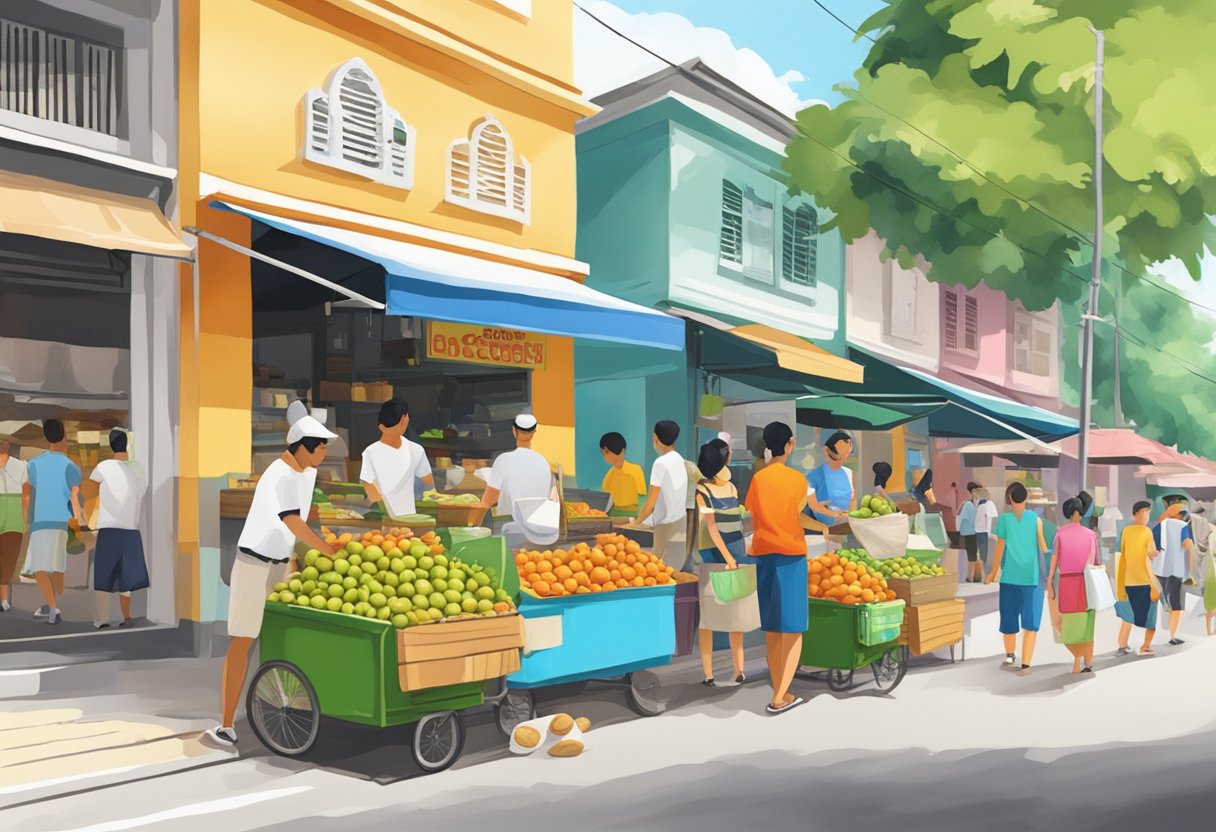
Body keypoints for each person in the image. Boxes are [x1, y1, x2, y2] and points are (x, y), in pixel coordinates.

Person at [207, 402, 337, 748]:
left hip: (281, 562)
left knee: (285, 640)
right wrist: (326, 549)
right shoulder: (279, 474)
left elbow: (300, 525)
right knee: (244, 639)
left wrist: (297, 557)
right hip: (253, 563)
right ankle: (225, 724)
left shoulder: (306, 472)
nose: (325, 452)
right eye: (321, 446)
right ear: (303, 447)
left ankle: (286, 706)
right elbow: (292, 520)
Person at [747, 421, 826, 715]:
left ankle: (781, 689)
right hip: (791, 556)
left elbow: (755, 515)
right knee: (792, 628)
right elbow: (798, 517)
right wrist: (822, 526)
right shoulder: (798, 479)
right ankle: (779, 697)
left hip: (765, 556)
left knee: (772, 627)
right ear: (790, 444)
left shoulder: (758, 480)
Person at [694, 438, 760, 686]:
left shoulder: (721, 489)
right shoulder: (705, 491)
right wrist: (732, 556)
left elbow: (732, 523)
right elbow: (711, 528)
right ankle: (711, 673)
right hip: (717, 551)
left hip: (728, 550)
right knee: (713, 613)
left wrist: (742, 547)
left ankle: (735, 670)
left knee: (731, 610)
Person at [22, 420, 84, 625]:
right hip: (62, 523)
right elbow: (74, 498)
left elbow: (27, 494)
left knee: (38, 568)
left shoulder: (34, 464)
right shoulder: (71, 466)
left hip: (41, 521)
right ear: (64, 436)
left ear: (46, 437)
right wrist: (78, 523)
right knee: (58, 568)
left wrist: (25, 518)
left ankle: (53, 608)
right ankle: (51, 604)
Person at [985, 481, 1048, 673]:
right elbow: (1044, 548)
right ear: (1026, 498)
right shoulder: (1036, 520)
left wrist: (992, 573)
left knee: (1009, 619)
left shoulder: (1004, 520)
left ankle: (1010, 655)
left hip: (1010, 578)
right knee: (1030, 623)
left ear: (1009, 499)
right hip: (1030, 578)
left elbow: (999, 549)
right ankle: (1026, 662)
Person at [90, 429, 149, 628]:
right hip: (131, 528)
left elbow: (91, 489)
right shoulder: (138, 469)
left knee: (103, 574)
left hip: (108, 526)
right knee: (128, 575)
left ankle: (102, 619)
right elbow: (142, 491)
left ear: (110, 445)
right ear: (127, 445)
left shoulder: (103, 467)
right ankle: (127, 616)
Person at [1045, 495, 1100, 673]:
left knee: (1068, 625)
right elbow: (1096, 562)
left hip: (1067, 582)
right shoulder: (1091, 535)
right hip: (1087, 582)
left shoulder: (1060, 534)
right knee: (1087, 624)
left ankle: (1077, 659)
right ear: (1078, 513)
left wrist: (1049, 580)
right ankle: (1088, 663)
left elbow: (1054, 558)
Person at [360, 398, 434, 520]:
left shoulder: (370, 452)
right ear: (405, 419)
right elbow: (429, 488)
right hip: (393, 520)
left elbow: (371, 491)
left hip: (403, 519)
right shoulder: (415, 450)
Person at [480, 414, 554, 524]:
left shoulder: (504, 460)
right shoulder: (543, 462)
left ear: (514, 430)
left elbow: (487, 502)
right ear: (534, 432)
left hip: (513, 528)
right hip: (540, 527)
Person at [636, 420, 688, 563]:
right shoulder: (680, 459)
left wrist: (637, 522)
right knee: (674, 565)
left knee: (658, 568)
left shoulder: (660, 463)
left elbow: (651, 501)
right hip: (680, 521)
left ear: (656, 438)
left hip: (664, 524)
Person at [1115, 500, 1160, 657]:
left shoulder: (1127, 531)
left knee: (1128, 615)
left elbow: (1125, 555)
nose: (1145, 515)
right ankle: (1145, 646)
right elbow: (1150, 554)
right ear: (1134, 515)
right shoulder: (1146, 532)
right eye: (1142, 512)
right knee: (1150, 616)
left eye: (1147, 512)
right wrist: (1154, 554)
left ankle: (1123, 646)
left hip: (1130, 581)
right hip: (1143, 581)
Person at [1151, 496, 1195, 646]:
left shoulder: (1157, 526)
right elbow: (1187, 544)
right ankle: (1173, 636)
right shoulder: (1182, 526)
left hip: (1159, 569)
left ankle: (1157, 632)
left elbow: (1152, 548)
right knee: (1177, 605)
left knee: (1162, 601)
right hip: (1176, 570)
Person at [0, 439, 28, 613]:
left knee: (9, 560)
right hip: (10, 511)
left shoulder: (21, 467)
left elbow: (26, 495)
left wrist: (24, 520)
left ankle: (3, 598)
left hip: (13, 514)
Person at [805, 431, 855, 528]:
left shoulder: (849, 473)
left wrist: (851, 517)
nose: (843, 458)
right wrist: (835, 514)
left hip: (846, 525)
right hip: (822, 528)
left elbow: (853, 499)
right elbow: (813, 505)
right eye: (839, 454)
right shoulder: (813, 476)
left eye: (847, 453)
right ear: (827, 450)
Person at [599, 432, 646, 517]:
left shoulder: (636, 470)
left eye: (606, 451)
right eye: (603, 452)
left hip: (633, 517)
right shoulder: (609, 476)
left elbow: (642, 498)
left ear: (621, 451)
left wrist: (639, 519)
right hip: (613, 518)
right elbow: (605, 503)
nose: (604, 455)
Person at [957, 482, 983, 583]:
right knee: (975, 555)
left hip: (970, 532)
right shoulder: (980, 504)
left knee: (972, 556)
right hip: (978, 532)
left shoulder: (968, 504)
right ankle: (976, 577)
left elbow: (962, 519)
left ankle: (970, 577)